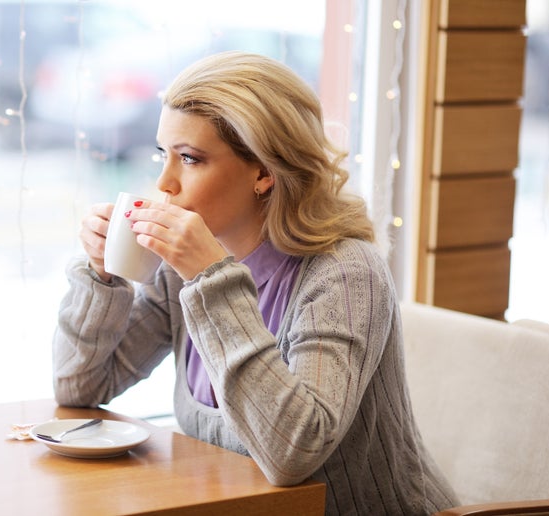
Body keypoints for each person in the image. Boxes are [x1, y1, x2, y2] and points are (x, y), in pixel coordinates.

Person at [52, 51, 459, 515]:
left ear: (264, 171)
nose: (164, 183)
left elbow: (293, 454)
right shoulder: (178, 271)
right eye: (163, 154)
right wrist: (100, 276)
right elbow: (79, 388)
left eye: (190, 158)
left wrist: (209, 278)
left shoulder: (344, 273)